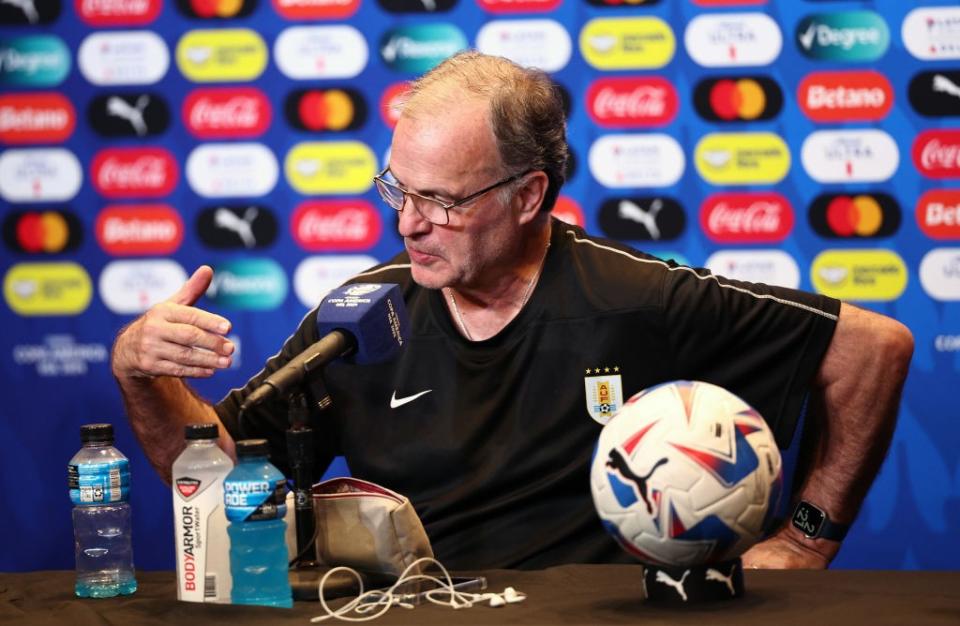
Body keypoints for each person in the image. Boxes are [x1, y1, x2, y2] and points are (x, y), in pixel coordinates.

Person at [112, 51, 914, 570]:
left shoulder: (637, 296)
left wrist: (808, 539)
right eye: (398, 190)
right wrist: (140, 377)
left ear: (530, 195)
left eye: (441, 200)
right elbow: (218, 488)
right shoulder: (360, 313)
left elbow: (872, 348)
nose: (408, 223)